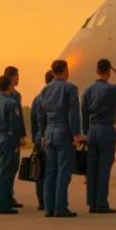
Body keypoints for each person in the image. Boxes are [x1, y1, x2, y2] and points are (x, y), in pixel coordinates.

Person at [81, 59, 116, 213]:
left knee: (92, 169)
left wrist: (86, 133)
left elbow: (84, 114)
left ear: (97, 70)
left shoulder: (87, 90)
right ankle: (101, 204)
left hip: (92, 131)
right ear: (109, 72)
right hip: (106, 130)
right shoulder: (112, 89)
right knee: (104, 168)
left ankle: (92, 203)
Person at [35, 60, 83, 218]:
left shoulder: (44, 90)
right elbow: (73, 113)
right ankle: (60, 207)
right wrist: (76, 133)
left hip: (49, 132)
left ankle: (49, 207)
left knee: (50, 172)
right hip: (64, 131)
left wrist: (42, 134)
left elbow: (40, 116)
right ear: (65, 70)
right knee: (64, 171)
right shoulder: (70, 88)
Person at [0, 75, 22, 215]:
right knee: (5, 172)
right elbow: (15, 125)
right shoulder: (11, 103)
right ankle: (2, 205)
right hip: (6, 139)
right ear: (9, 86)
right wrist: (16, 141)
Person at [2, 66, 27, 210]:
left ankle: (1, 196)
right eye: (17, 76)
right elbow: (18, 119)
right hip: (12, 137)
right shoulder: (14, 96)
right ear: (12, 77)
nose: (18, 79)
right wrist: (21, 136)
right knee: (11, 168)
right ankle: (8, 196)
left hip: (0, 136)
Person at [29, 70, 54, 210]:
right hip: (50, 138)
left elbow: (33, 122)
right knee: (52, 170)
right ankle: (51, 200)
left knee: (39, 171)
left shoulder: (36, 99)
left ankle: (42, 201)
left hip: (39, 139)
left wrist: (36, 139)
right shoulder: (53, 97)